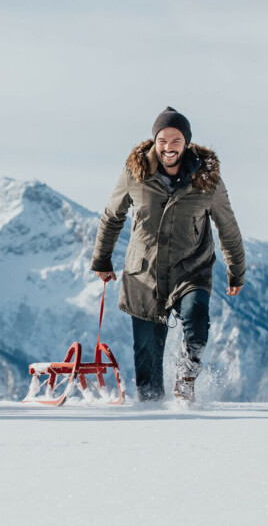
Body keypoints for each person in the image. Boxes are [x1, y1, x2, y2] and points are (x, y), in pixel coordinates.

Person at [91, 107, 245, 404]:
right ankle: (151, 411)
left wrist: (236, 270)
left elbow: (227, 226)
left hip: (192, 270)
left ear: (185, 142)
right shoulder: (135, 174)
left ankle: (186, 380)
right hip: (143, 275)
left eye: (175, 140)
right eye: (162, 140)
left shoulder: (207, 180)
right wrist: (101, 260)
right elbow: (113, 215)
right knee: (147, 352)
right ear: (154, 141)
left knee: (196, 320)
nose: (168, 147)